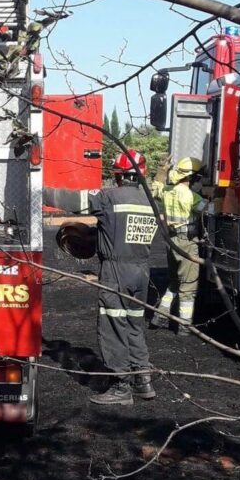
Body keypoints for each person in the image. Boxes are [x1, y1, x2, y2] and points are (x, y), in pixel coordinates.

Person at [84, 150, 158, 405]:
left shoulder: (109, 197)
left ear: (117, 176)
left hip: (116, 272)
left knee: (113, 326)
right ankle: (143, 380)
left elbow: (71, 199)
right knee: (134, 326)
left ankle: (121, 387)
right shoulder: (151, 201)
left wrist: (37, 189)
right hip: (142, 272)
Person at [150, 156, 206, 335]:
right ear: (192, 177)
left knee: (174, 282)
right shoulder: (193, 197)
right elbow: (212, 210)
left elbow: (155, 189)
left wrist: (161, 170)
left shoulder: (168, 191)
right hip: (188, 243)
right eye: (199, 178)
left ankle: (159, 317)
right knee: (188, 287)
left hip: (171, 242)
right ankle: (184, 326)